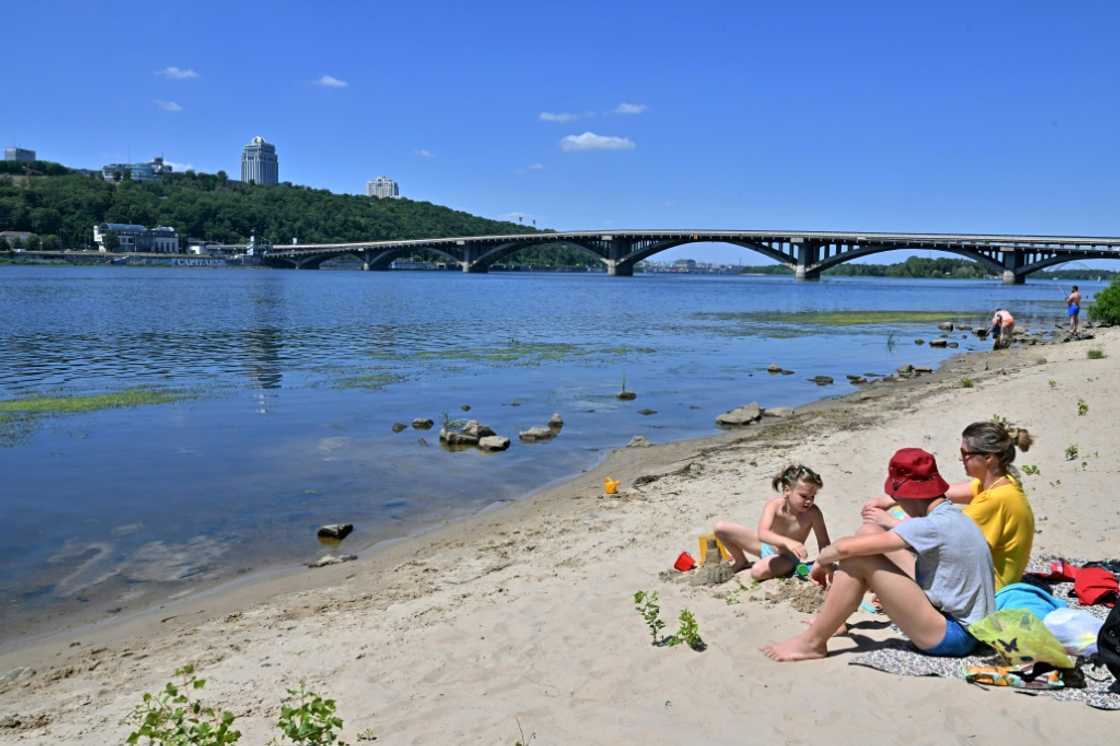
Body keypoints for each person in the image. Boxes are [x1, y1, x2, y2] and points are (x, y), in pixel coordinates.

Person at [762, 449, 995, 662]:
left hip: (955, 636)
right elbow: (867, 539)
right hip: (967, 622)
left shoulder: (930, 526)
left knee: (856, 558)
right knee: (868, 533)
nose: (898, 504)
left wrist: (821, 562)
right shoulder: (951, 515)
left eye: (898, 498)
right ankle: (837, 618)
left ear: (909, 494)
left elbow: (844, 549)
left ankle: (812, 642)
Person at [862, 421, 1034, 589]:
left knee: (873, 535)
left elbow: (945, 537)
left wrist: (889, 522)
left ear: (988, 458)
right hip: (983, 576)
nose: (961, 458)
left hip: (985, 588)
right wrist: (893, 498)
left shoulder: (993, 501)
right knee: (900, 520)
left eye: (965, 453)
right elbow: (945, 492)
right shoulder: (1003, 483)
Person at [713, 464, 831, 581]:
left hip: (788, 557)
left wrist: (824, 565)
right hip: (765, 546)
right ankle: (740, 561)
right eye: (804, 496)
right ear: (787, 491)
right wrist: (788, 542)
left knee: (757, 572)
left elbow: (824, 542)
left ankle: (790, 568)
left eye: (813, 496)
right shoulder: (774, 506)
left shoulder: (813, 513)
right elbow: (762, 534)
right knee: (720, 528)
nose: (809, 501)